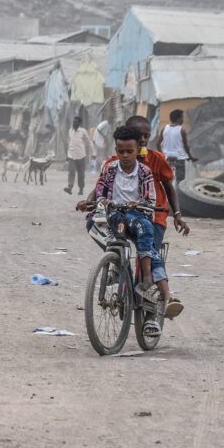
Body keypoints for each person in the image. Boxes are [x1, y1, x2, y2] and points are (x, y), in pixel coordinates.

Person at [80, 115, 189, 316]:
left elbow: (168, 187)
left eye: (147, 137)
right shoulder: (112, 164)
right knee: (94, 224)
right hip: (119, 213)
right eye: (140, 137)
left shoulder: (154, 162)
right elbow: (99, 190)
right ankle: (118, 264)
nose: (144, 141)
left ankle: (152, 314)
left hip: (152, 217)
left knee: (148, 252)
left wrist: (178, 214)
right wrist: (90, 204)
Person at [155, 109, 197, 183]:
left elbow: (157, 144)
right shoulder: (181, 130)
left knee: (167, 181)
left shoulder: (164, 129)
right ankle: (178, 194)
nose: (183, 120)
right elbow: (185, 146)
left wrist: (162, 155)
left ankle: (167, 194)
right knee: (180, 182)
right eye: (182, 117)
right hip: (179, 159)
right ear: (178, 118)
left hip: (167, 159)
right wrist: (190, 156)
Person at [64, 115, 93, 195]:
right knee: (71, 172)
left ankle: (81, 189)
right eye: (73, 122)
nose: (74, 123)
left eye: (76, 122)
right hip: (71, 155)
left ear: (79, 123)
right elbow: (69, 143)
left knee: (81, 174)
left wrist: (93, 153)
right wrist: (67, 155)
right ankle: (70, 187)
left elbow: (89, 142)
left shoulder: (83, 131)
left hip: (81, 156)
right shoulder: (70, 131)